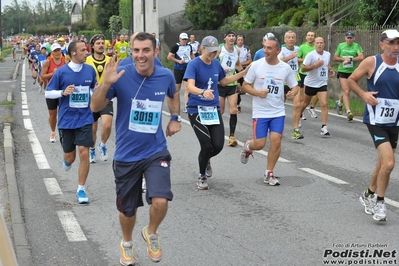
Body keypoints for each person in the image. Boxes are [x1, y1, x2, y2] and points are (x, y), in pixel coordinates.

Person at [91, 32, 180, 265]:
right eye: (136, 50)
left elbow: (173, 94)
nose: (141, 55)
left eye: (146, 50)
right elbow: (95, 105)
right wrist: (106, 84)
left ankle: (151, 232)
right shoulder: (120, 75)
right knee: (128, 210)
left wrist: (175, 117)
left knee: (161, 201)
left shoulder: (165, 75)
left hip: (155, 150)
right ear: (131, 51)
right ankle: (127, 243)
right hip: (127, 154)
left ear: (155, 50)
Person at [184, 35, 249, 189]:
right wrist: (202, 92)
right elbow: (189, 86)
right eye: (210, 51)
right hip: (196, 109)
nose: (212, 55)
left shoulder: (215, 64)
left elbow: (224, 80)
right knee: (206, 144)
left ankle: (205, 159)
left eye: (215, 52)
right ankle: (202, 176)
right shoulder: (194, 64)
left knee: (218, 145)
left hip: (213, 109)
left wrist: (242, 73)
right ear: (202, 49)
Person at [348, 29, 399, 222]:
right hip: (376, 120)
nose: (396, 47)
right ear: (382, 44)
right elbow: (351, 80)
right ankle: (380, 203)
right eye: (392, 43)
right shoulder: (372, 62)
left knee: (382, 163)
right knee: (389, 162)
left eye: (398, 43)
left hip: (394, 120)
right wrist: (363, 95)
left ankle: (368, 194)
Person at [240, 36, 299, 186]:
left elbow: (295, 86)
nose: (265, 50)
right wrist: (258, 93)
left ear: (278, 50)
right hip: (260, 111)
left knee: (276, 141)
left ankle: (269, 173)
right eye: (265, 47)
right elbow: (245, 86)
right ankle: (248, 146)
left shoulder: (284, 68)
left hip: (278, 112)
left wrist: (293, 93)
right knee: (259, 144)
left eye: (269, 48)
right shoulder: (256, 65)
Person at [45, 40, 96, 204]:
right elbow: (48, 93)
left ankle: (81, 189)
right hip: (67, 120)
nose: (86, 52)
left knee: (84, 152)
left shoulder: (90, 70)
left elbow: (93, 89)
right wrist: (63, 92)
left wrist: (100, 90)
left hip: (85, 118)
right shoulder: (61, 72)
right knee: (70, 157)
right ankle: (66, 160)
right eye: (83, 50)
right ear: (73, 53)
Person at [295, 37, 335, 137]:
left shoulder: (327, 54)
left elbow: (327, 64)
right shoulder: (310, 55)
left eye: (321, 43)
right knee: (305, 103)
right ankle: (299, 117)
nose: (319, 45)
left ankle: (324, 127)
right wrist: (315, 65)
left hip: (322, 83)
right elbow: (303, 68)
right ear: (315, 44)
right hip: (310, 83)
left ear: (324, 44)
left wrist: (330, 70)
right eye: (317, 43)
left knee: (324, 104)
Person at [85, 34, 112, 163]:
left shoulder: (110, 60)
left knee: (107, 125)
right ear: (92, 46)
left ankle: (103, 145)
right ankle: (92, 149)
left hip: (106, 96)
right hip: (91, 98)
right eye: (98, 43)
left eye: (103, 43)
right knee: (93, 128)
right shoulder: (87, 61)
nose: (101, 45)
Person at [217, 30, 244, 146]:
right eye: (229, 36)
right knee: (220, 111)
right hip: (220, 83)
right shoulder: (219, 49)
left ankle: (232, 137)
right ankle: (215, 133)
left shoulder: (237, 50)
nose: (232, 38)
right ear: (225, 38)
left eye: (233, 36)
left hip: (232, 83)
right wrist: (220, 70)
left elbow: (237, 64)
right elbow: (212, 62)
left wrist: (244, 74)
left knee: (233, 110)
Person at [334, 31, 364, 121]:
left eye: (351, 38)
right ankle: (348, 112)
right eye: (348, 38)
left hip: (353, 72)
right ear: (345, 38)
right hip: (342, 71)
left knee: (348, 91)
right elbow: (335, 57)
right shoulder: (341, 45)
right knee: (346, 91)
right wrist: (344, 59)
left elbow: (361, 57)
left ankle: (339, 103)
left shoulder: (356, 46)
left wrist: (350, 59)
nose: (349, 39)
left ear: (354, 38)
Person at [40, 43, 66, 143]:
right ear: (51, 52)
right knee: (53, 114)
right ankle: (52, 131)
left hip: (62, 91)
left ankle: (63, 132)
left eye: (58, 50)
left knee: (64, 113)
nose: (57, 52)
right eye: (55, 51)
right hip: (51, 91)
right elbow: (42, 77)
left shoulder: (65, 62)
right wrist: (53, 73)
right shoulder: (48, 62)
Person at [167, 32, 194, 113]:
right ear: (180, 39)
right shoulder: (176, 46)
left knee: (188, 87)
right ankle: (172, 102)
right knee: (177, 88)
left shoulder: (189, 46)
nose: (184, 41)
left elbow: (191, 54)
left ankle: (186, 106)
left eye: (186, 39)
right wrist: (178, 61)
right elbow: (169, 57)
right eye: (183, 39)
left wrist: (195, 61)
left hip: (188, 68)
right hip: (178, 69)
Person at [296, 31, 317, 123]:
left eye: (312, 36)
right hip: (303, 73)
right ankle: (301, 111)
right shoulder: (302, 47)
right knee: (303, 94)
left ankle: (311, 107)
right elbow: (297, 58)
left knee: (316, 93)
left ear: (314, 37)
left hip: (314, 73)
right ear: (306, 37)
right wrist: (306, 60)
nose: (310, 37)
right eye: (309, 35)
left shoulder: (316, 47)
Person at [236, 34, 252, 113]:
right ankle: (237, 105)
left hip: (244, 70)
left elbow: (249, 60)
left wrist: (240, 64)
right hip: (235, 70)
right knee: (237, 87)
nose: (240, 41)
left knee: (243, 90)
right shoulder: (234, 48)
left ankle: (238, 94)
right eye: (238, 40)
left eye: (241, 40)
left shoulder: (246, 48)